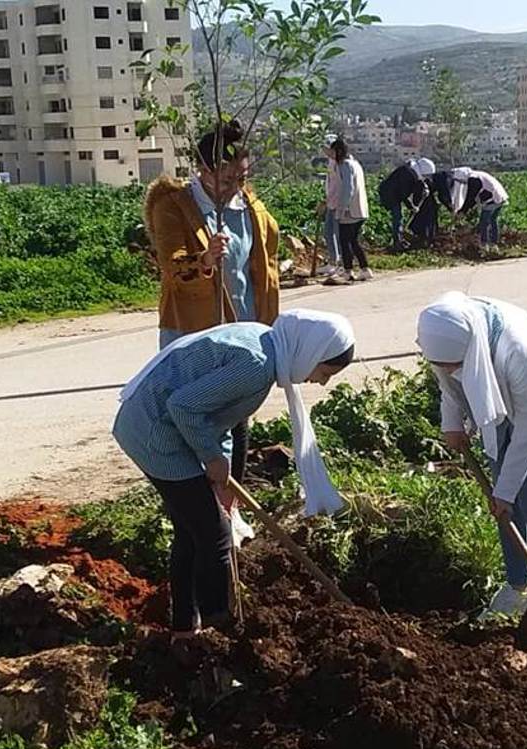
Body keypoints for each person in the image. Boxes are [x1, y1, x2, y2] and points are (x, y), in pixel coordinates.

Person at [113, 309, 355, 651]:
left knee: (192, 530)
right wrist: (211, 458)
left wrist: (221, 471)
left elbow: (222, 418)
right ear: (312, 352)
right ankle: (220, 631)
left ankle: (184, 628)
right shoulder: (257, 365)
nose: (320, 381)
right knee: (214, 535)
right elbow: (183, 407)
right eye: (324, 371)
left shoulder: (265, 343)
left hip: (155, 424)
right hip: (156, 435)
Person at [416, 292, 527, 640]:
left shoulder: (515, 349)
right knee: (506, 499)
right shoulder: (442, 330)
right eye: (445, 364)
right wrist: (451, 421)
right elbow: (448, 380)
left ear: (470, 349)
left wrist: (504, 491)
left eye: (457, 364)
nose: (451, 370)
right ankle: (518, 589)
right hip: (500, 396)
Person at [143, 120, 280, 537]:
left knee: (236, 416)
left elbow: (263, 262)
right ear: (203, 170)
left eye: (241, 177)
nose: (234, 186)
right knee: (192, 413)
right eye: (225, 178)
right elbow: (172, 263)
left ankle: (228, 506)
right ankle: (193, 508)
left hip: (241, 327)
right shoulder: (177, 206)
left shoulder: (249, 208)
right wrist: (203, 261)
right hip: (195, 331)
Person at [326, 139, 372, 284]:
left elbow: (348, 189)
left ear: (339, 151)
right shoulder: (355, 164)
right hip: (359, 209)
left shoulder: (344, 165)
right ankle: (365, 269)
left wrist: (342, 209)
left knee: (345, 241)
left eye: (333, 151)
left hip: (350, 211)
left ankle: (348, 271)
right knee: (353, 241)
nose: (331, 155)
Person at [378, 158, 433, 253]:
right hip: (389, 194)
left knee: (399, 217)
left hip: (395, 194)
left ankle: (399, 239)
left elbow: (420, 182)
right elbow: (403, 194)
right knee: (397, 217)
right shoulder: (407, 173)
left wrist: (425, 188)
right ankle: (397, 242)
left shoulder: (412, 171)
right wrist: (412, 207)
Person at [447, 167, 509, 250]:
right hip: (500, 196)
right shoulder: (477, 175)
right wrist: (464, 210)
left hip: (492, 199)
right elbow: (473, 199)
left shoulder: (473, 179)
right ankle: (494, 244)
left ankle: (485, 245)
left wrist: (462, 212)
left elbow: (471, 198)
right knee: (493, 220)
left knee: (484, 222)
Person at [318, 139, 342, 276]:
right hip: (331, 202)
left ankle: (340, 264)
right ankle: (333, 261)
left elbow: (337, 187)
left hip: (336, 203)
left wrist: (326, 201)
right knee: (328, 232)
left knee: (337, 234)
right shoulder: (332, 162)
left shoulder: (339, 164)